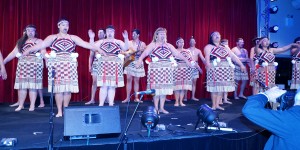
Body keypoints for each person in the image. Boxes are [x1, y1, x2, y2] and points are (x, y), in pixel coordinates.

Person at [24, 18, 105, 117]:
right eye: (63, 24)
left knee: (67, 89)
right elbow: (41, 45)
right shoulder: (52, 37)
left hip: (69, 65)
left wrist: (98, 49)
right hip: (56, 65)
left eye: (67, 25)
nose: (65, 26)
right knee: (58, 89)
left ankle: (65, 108)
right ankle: (59, 111)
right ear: (58, 26)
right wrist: (28, 50)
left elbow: (86, 44)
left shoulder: (73, 37)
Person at [136, 27, 193, 114]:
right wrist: (140, 59)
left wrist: (186, 60)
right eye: (161, 34)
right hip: (155, 70)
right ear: (156, 35)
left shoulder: (169, 45)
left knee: (164, 89)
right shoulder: (153, 45)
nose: (163, 35)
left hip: (167, 70)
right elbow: (146, 53)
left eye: (164, 34)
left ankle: (162, 108)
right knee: (156, 90)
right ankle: (156, 108)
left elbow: (177, 54)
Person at [4, 24, 46, 111]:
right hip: (22, 66)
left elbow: (43, 51)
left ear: (35, 32)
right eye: (29, 30)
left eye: (32, 30)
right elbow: (13, 53)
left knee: (32, 86)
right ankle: (21, 105)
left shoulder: (39, 41)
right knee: (22, 86)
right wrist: (3, 62)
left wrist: (46, 59)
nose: (30, 32)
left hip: (35, 65)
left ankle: (32, 105)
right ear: (26, 32)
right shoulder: (20, 42)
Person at [204, 31, 246, 110]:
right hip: (214, 68)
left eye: (218, 35)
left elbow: (233, 56)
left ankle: (217, 105)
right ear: (211, 37)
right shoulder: (208, 46)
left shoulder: (224, 47)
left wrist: (241, 64)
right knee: (214, 87)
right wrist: (208, 65)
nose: (217, 36)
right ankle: (213, 105)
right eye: (215, 35)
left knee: (221, 87)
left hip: (225, 70)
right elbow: (207, 57)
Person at [90, 25, 129, 106]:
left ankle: (111, 104)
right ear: (106, 33)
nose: (109, 33)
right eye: (108, 31)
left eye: (111, 31)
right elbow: (93, 47)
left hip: (115, 66)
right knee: (104, 85)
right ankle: (101, 104)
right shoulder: (102, 41)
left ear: (114, 32)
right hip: (103, 65)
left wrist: (126, 38)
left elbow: (126, 48)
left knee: (112, 86)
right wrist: (91, 38)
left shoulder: (118, 41)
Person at [173, 37, 202, 106]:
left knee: (183, 86)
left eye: (183, 42)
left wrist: (198, 67)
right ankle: (176, 101)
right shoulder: (174, 50)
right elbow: (172, 60)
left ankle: (181, 101)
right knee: (177, 86)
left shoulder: (187, 51)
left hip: (186, 70)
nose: (182, 43)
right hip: (177, 69)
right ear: (177, 43)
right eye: (180, 42)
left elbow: (191, 60)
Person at [121, 29, 146, 103]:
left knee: (136, 80)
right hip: (129, 60)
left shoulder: (142, 44)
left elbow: (144, 54)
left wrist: (139, 52)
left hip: (138, 61)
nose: (132, 35)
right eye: (132, 34)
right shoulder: (128, 42)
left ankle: (136, 97)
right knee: (128, 79)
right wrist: (126, 53)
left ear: (138, 35)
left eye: (134, 34)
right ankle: (127, 98)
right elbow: (124, 51)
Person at [85, 28, 106, 105]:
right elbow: (91, 56)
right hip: (96, 64)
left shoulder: (107, 42)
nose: (99, 34)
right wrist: (89, 66)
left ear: (105, 34)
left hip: (105, 64)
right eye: (98, 33)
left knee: (105, 82)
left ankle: (106, 99)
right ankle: (92, 99)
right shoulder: (94, 43)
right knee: (94, 82)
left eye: (101, 32)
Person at [187, 36, 205, 101]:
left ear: (195, 42)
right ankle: (185, 97)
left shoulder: (198, 50)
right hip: (188, 66)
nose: (192, 42)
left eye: (193, 41)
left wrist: (207, 62)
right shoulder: (186, 50)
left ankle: (193, 96)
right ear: (189, 42)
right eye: (191, 41)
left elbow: (203, 59)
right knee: (187, 82)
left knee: (194, 82)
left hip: (196, 67)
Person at [220, 39, 232, 104]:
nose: (226, 44)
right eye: (225, 43)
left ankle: (225, 99)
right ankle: (220, 99)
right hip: (221, 67)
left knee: (226, 84)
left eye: (227, 43)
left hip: (227, 67)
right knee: (221, 84)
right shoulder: (219, 49)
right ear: (221, 43)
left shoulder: (228, 49)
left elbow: (230, 56)